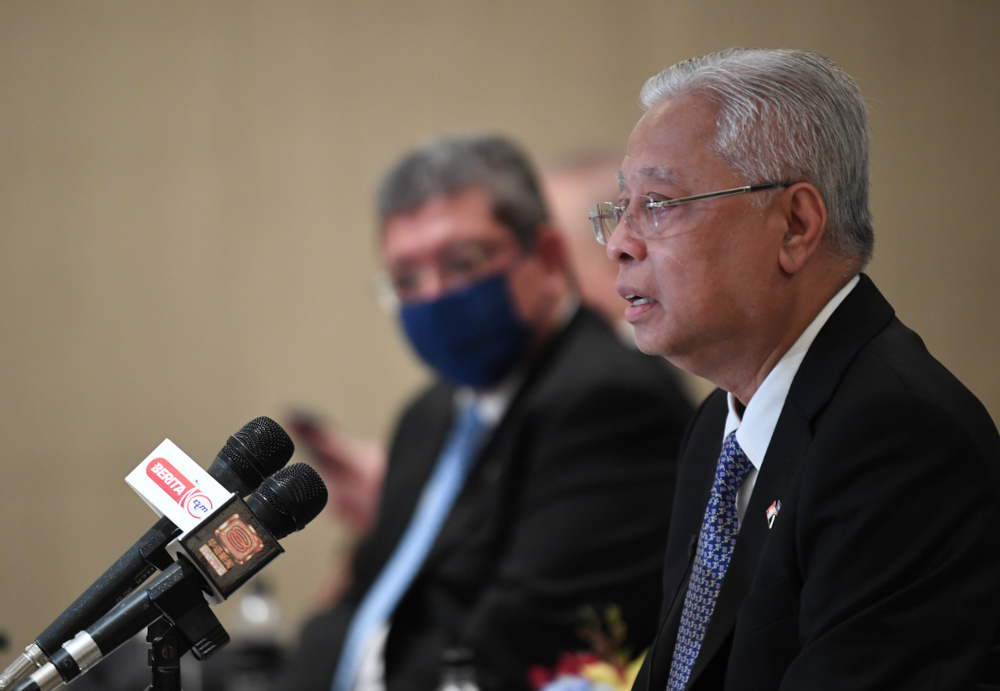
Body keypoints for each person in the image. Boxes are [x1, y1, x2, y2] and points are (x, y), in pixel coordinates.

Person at [590, 48, 1000, 690]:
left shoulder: (898, 437)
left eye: (659, 204)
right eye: (621, 207)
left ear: (796, 225)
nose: (619, 242)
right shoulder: (716, 430)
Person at [273, 133, 693, 691]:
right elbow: (358, 607)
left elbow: (505, 655)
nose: (435, 295)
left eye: (463, 262)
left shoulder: (610, 406)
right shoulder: (430, 413)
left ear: (546, 257)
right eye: (406, 279)